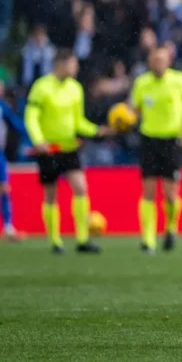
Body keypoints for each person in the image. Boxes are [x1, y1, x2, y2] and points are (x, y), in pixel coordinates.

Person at [24, 50, 113, 254]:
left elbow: (78, 121)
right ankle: (55, 241)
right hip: (49, 149)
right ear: (60, 64)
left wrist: (97, 131)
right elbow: (31, 116)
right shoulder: (41, 87)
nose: (76, 68)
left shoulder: (75, 88)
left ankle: (82, 239)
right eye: (73, 64)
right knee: (51, 195)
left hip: (69, 148)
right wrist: (38, 141)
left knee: (81, 188)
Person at [129, 47, 182, 254]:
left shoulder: (180, 81)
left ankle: (171, 227)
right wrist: (126, 118)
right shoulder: (141, 83)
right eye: (154, 60)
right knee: (148, 191)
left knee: (171, 194)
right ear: (149, 62)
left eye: (161, 59)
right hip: (149, 140)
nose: (158, 63)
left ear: (168, 61)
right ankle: (148, 239)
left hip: (172, 140)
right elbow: (135, 110)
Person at [0, 81, 27, 241]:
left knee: (4, 188)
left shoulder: (2, 107)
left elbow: (17, 124)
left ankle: (8, 227)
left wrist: (33, 136)